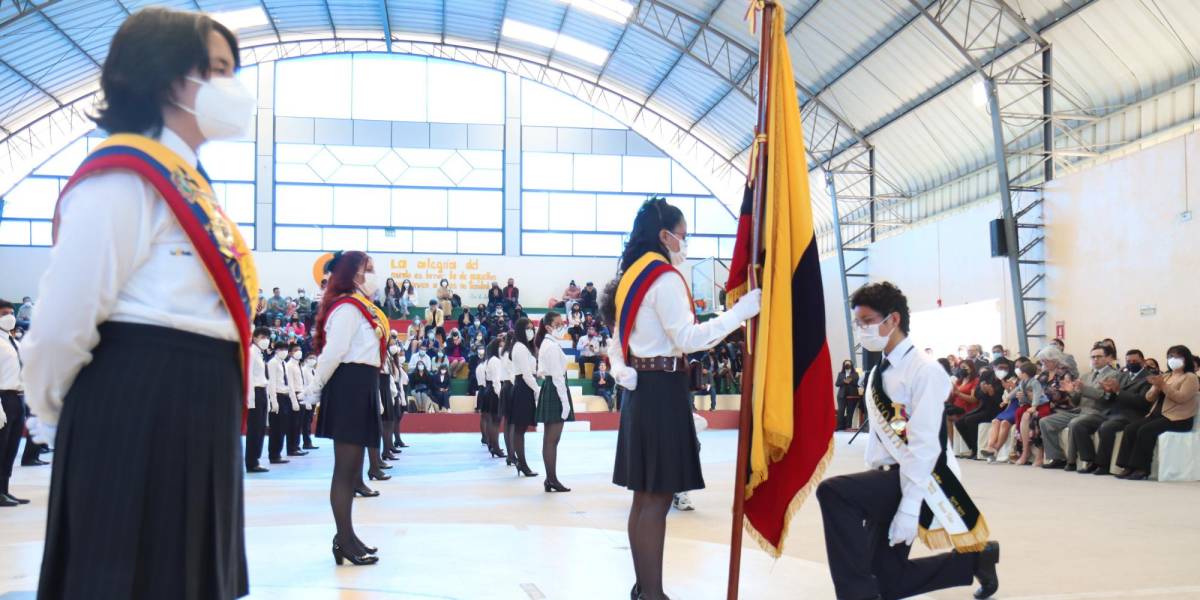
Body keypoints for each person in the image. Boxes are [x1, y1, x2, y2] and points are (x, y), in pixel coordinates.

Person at [21, 8, 255, 596]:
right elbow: (61, 321)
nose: (231, 87)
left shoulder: (189, 181)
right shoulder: (123, 176)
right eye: (218, 69)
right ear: (166, 74)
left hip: (197, 401)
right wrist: (53, 415)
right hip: (137, 399)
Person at [600, 198, 761, 600]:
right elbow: (688, 338)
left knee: (644, 499)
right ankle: (653, 595)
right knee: (656, 500)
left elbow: (617, 339)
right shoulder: (664, 278)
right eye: (683, 237)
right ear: (664, 236)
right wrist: (739, 313)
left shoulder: (630, 277)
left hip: (642, 391)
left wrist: (621, 369)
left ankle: (645, 589)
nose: (683, 244)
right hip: (662, 389)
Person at [815, 282, 999, 600]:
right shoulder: (877, 374)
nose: (862, 330)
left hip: (923, 479)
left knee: (834, 493)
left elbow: (925, 445)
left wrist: (910, 507)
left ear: (894, 319)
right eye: (858, 323)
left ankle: (856, 596)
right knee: (888, 582)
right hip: (887, 479)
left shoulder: (924, 371)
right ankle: (975, 560)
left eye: (868, 321)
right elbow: (880, 440)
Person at [305, 250, 386, 566]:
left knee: (352, 471)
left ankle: (348, 537)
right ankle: (343, 540)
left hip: (361, 384)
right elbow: (334, 352)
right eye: (369, 269)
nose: (374, 274)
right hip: (349, 386)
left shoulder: (360, 307)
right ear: (353, 274)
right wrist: (314, 388)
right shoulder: (347, 309)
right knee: (344, 471)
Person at [1115, 345, 1199, 480]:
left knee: (1145, 430)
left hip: (1179, 418)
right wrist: (1155, 388)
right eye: (1170, 356)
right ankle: (1127, 466)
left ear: (1186, 359)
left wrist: (1163, 386)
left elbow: (1181, 398)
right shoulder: (1165, 375)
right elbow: (1148, 398)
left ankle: (1142, 468)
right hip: (1158, 415)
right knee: (1131, 428)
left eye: (1177, 356)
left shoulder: (1190, 377)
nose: (1173, 359)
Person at [1040, 343, 1118, 471]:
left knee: (1075, 423)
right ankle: (1057, 457)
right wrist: (1071, 391)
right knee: (1045, 421)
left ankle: (1083, 460)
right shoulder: (1086, 375)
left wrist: (1084, 389)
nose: (1095, 360)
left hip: (1098, 412)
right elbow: (1076, 401)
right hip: (1080, 410)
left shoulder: (1114, 375)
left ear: (1107, 358)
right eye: (1093, 357)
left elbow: (1106, 397)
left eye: (1099, 356)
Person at [1091, 350, 1153, 475]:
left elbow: (1142, 402)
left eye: (1135, 361)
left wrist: (1119, 391)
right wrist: (1108, 392)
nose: (1131, 363)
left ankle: (1103, 464)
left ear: (1143, 361)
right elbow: (1108, 399)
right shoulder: (1122, 375)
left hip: (1132, 415)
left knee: (1107, 427)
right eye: (1128, 361)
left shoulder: (1148, 378)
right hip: (1112, 412)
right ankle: (1090, 461)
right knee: (1085, 422)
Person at [535, 311, 573, 492]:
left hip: (553, 387)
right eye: (558, 324)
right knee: (551, 440)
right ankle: (551, 479)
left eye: (562, 323)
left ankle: (551, 478)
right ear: (548, 327)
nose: (562, 326)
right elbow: (557, 376)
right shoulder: (550, 346)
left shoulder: (550, 343)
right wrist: (565, 401)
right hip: (555, 389)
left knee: (551, 440)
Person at [0, 300, 27, 507]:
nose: (9, 316)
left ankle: (5, 489)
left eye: (11, 312)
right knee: (1, 446)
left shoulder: (12, 340)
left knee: (11, 447)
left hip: (18, 396)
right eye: (4, 313)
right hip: (3, 397)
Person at [507, 318, 541, 478]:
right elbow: (526, 374)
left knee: (521, 429)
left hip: (524, 386)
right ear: (521, 330)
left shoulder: (525, 347)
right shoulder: (520, 347)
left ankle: (521, 462)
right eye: (528, 328)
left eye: (532, 328)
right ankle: (522, 463)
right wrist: (537, 389)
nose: (531, 331)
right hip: (523, 387)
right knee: (520, 429)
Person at [954, 365, 1004, 459]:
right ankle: (973, 448)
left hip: (997, 410)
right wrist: (984, 390)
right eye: (998, 367)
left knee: (970, 420)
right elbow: (977, 394)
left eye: (1003, 368)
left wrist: (992, 393)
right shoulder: (986, 375)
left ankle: (977, 450)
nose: (1001, 370)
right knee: (959, 422)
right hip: (983, 407)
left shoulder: (1006, 378)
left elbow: (1001, 402)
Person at [245, 327, 271, 473]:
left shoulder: (260, 354)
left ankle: (256, 459)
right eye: (262, 337)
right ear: (254, 338)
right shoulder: (251, 352)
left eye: (267, 337)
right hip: (255, 392)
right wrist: (250, 400)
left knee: (260, 428)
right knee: (254, 429)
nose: (265, 340)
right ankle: (251, 461)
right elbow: (248, 376)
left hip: (262, 391)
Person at [267, 344, 296, 464]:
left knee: (283, 426)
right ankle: (274, 455)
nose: (283, 352)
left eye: (285, 350)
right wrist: (273, 401)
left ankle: (278, 452)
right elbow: (272, 383)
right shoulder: (273, 363)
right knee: (276, 428)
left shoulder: (284, 363)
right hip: (277, 395)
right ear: (276, 350)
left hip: (285, 396)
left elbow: (288, 383)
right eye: (281, 349)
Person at [482, 338, 507, 458]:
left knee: (493, 421)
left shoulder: (490, 360)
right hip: (495, 391)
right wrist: (499, 394)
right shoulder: (496, 361)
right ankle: (496, 447)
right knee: (496, 421)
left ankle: (493, 445)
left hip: (490, 390)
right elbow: (496, 380)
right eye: (501, 346)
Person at [299, 352, 319, 451]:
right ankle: (306, 442)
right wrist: (306, 401)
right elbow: (304, 385)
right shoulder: (303, 370)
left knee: (309, 420)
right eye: (311, 358)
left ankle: (308, 441)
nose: (313, 359)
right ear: (306, 359)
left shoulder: (314, 370)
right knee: (305, 421)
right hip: (306, 399)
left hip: (313, 398)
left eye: (314, 358)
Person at [835, 360, 861, 430]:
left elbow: (858, 384)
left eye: (848, 364)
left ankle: (848, 426)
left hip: (852, 395)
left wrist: (851, 381)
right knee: (841, 411)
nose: (847, 365)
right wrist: (843, 381)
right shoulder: (840, 374)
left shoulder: (855, 374)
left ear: (851, 365)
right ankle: (839, 426)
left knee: (850, 411)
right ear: (844, 365)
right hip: (841, 395)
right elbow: (837, 384)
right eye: (846, 364)